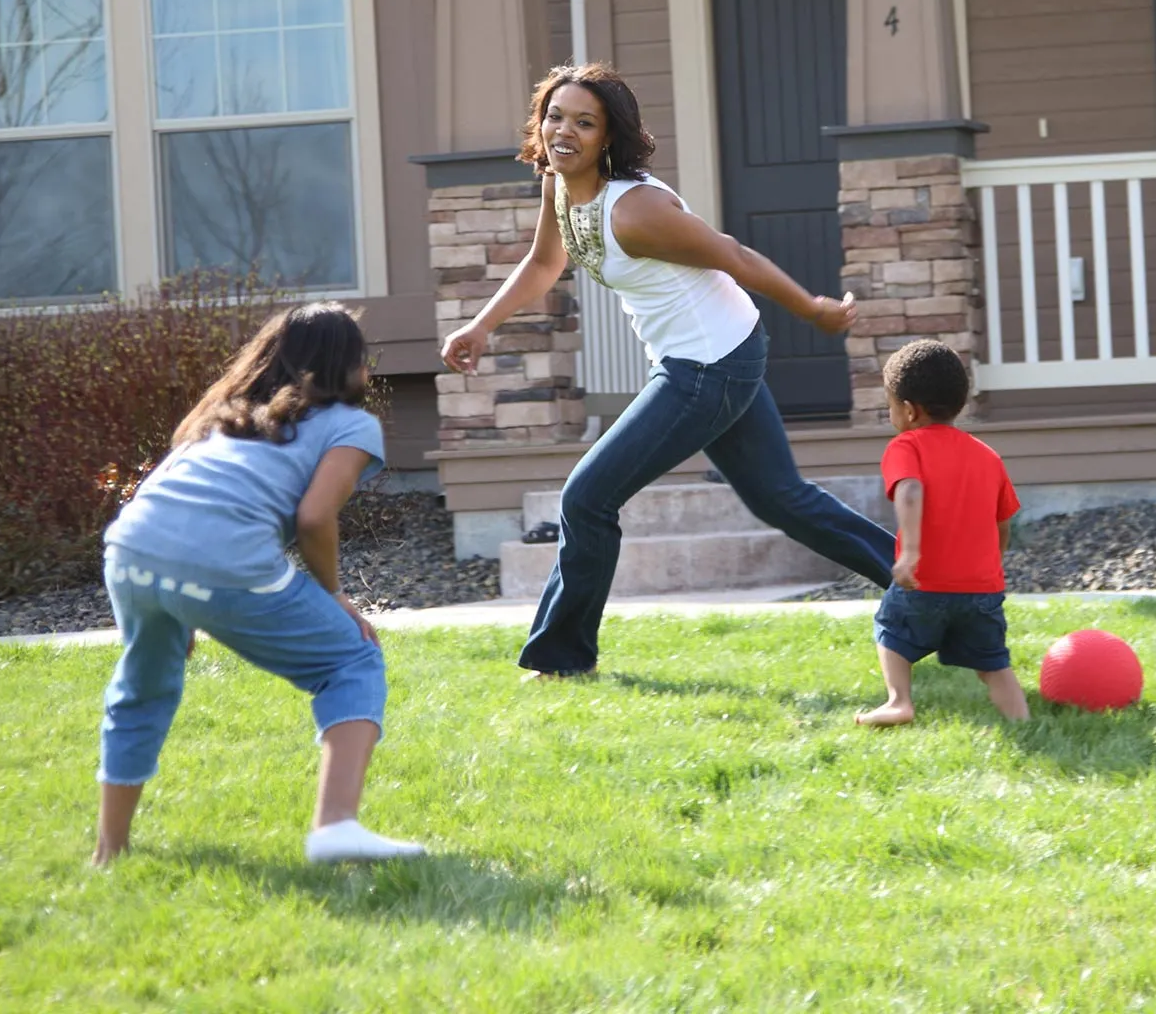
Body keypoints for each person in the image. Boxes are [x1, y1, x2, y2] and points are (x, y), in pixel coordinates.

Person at [441, 63, 895, 678]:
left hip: (709, 365)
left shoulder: (635, 210)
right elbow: (545, 263)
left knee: (587, 497)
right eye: (555, 115)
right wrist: (481, 325)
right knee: (779, 497)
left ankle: (562, 658)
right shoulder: (559, 184)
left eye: (584, 122)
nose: (563, 131)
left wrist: (810, 308)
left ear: (609, 137)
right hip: (714, 354)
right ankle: (929, 584)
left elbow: (733, 254)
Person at [92, 303, 424, 866]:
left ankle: (109, 851)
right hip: (222, 560)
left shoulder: (218, 418)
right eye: (366, 359)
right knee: (351, 660)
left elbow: (173, 504)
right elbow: (316, 518)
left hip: (130, 551)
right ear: (347, 366)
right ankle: (335, 827)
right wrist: (335, 595)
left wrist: (174, 610)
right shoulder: (351, 425)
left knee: (142, 688)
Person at [855, 339, 1029, 727]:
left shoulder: (906, 446)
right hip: (982, 590)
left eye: (889, 405)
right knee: (993, 663)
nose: (890, 415)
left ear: (909, 410)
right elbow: (1003, 523)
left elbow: (910, 489)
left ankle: (899, 701)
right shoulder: (988, 456)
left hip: (925, 584)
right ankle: (1022, 719)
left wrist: (910, 553)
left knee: (891, 630)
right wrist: (991, 566)